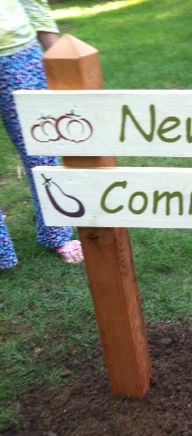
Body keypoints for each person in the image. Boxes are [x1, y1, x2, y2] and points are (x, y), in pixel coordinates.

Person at [0, 0, 83, 269]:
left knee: (41, 147)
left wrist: (60, 57)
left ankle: (57, 233)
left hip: (18, 55)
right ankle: (2, 253)